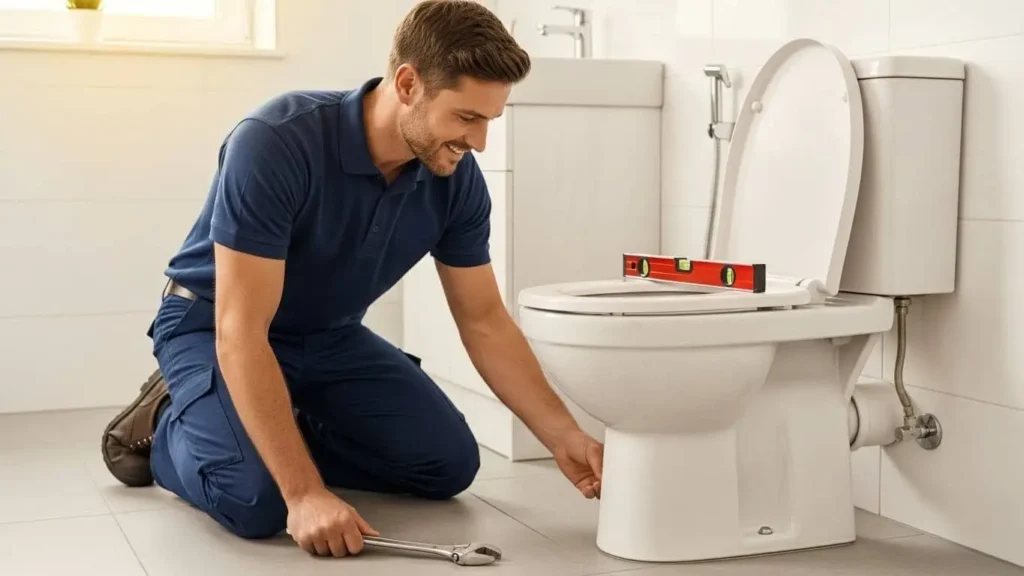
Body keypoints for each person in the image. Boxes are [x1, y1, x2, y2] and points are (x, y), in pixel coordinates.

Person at [100, 0, 603, 560]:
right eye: (467, 117)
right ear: (408, 83)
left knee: (447, 464)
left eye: (490, 120)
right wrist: (305, 492)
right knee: (258, 503)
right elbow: (241, 327)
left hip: (328, 335)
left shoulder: (455, 181)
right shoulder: (275, 142)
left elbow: (484, 321)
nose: (479, 142)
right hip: (214, 322)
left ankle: (259, 429)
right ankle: (175, 421)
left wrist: (563, 435)